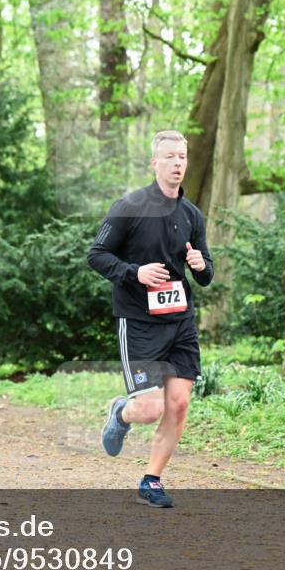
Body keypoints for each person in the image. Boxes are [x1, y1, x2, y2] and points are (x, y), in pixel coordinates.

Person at [87, 130, 214, 508]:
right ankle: (121, 413)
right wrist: (134, 273)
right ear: (154, 163)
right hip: (139, 323)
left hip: (181, 324)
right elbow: (97, 255)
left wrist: (200, 264)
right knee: (149, 408)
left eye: (182, 157)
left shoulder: (192, 215)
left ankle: (151, 480)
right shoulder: (130, 206)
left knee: (178, 405)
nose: (178, 163)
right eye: (170, 157)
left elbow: (207, 273)